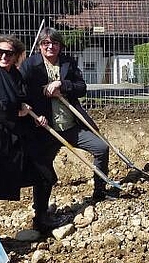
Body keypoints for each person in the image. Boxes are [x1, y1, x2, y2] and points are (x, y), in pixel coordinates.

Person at [20, 27, 116, 223]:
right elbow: (21, 91)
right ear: (40, 46)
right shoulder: (30, 65)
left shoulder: (67, 63)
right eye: (46, 43)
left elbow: (82, 87)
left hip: (71, 126)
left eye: (54, 43)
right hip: (46, 129)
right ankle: (40, 213)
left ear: (60, 46)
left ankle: (99, 191)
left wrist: (62, 85)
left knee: (101, 147)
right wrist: (43, 90)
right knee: (43, 172)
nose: (50, 47)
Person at [0, 35, 51, 232]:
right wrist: (16, 111)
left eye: (9, 53)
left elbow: (23, 101)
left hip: (17, 134)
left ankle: (41, 217)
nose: (4, 56)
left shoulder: (17, 75)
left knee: (43, 173)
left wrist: (34, 117)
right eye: (0, 52)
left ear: (16, 56)